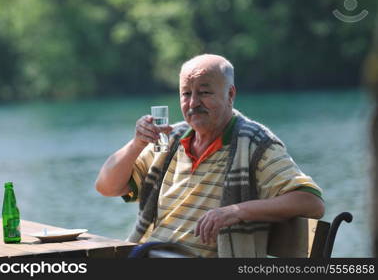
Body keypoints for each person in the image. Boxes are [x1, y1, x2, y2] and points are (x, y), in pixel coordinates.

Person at [95, 54, 325, 258]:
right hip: (151, 254)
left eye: (204, 92)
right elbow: (107, 187)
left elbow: (311, 202)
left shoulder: (253, 143)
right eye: (186, 93)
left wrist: (235, 212)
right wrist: (137, 144)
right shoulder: (171, 139)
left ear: (230, 94)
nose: (194, 103)